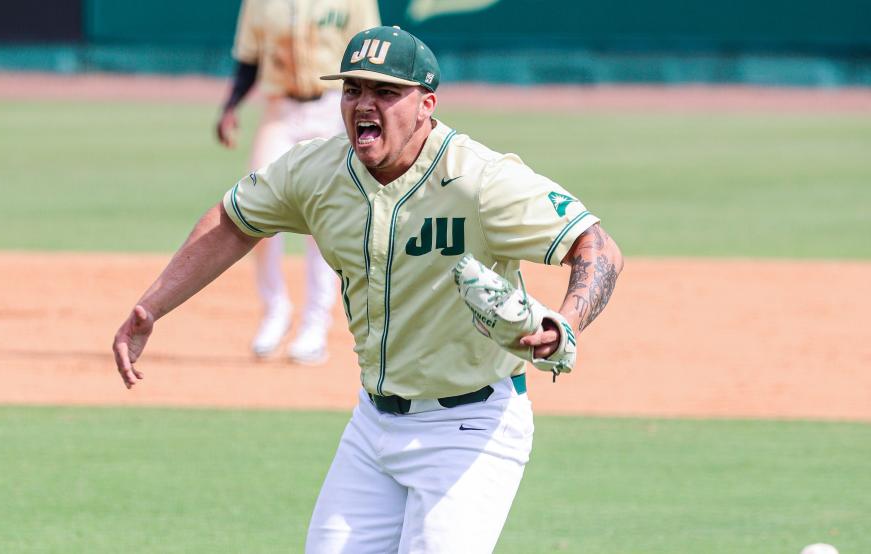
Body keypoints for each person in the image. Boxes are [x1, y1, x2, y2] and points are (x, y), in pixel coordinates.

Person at [116, 26, 624, 553]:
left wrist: (567, 320)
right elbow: (235, 219)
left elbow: (598, 246)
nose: (365, 105)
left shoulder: (480, 179)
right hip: (372, 427)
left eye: (385, 92)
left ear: (427, 104)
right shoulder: (316, 171)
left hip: (471, 426)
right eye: (354, 89)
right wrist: (153, 306)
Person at [216, 0, 381, 364]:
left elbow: (368, 57)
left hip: (335, 107)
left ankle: (315, 325)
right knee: (253, 207)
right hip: (281, 109)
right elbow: (249, 59)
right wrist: (230, 107)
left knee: (322, 219)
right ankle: (275, 309)